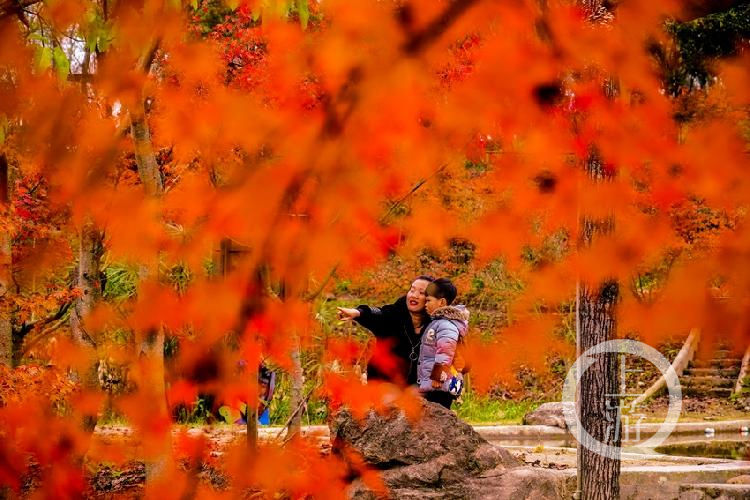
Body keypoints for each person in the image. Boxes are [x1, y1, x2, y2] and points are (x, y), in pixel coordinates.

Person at [337, 275, 434, 386]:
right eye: (412, 290)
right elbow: (378, 314)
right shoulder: (394, 315)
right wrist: (358, 313)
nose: (414, 295)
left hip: (416, 395)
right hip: (383, 388)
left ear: (430, 299)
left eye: (421, 293)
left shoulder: (437, 326)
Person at [417, 278, 469, 409]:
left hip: (441, 384)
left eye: (428, 300)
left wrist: (438, 376)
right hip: (438, 384)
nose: (425, 304)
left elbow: (446, 350)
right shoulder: (438, 322)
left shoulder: (446, 324)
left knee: (437, 415)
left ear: (442, 302)